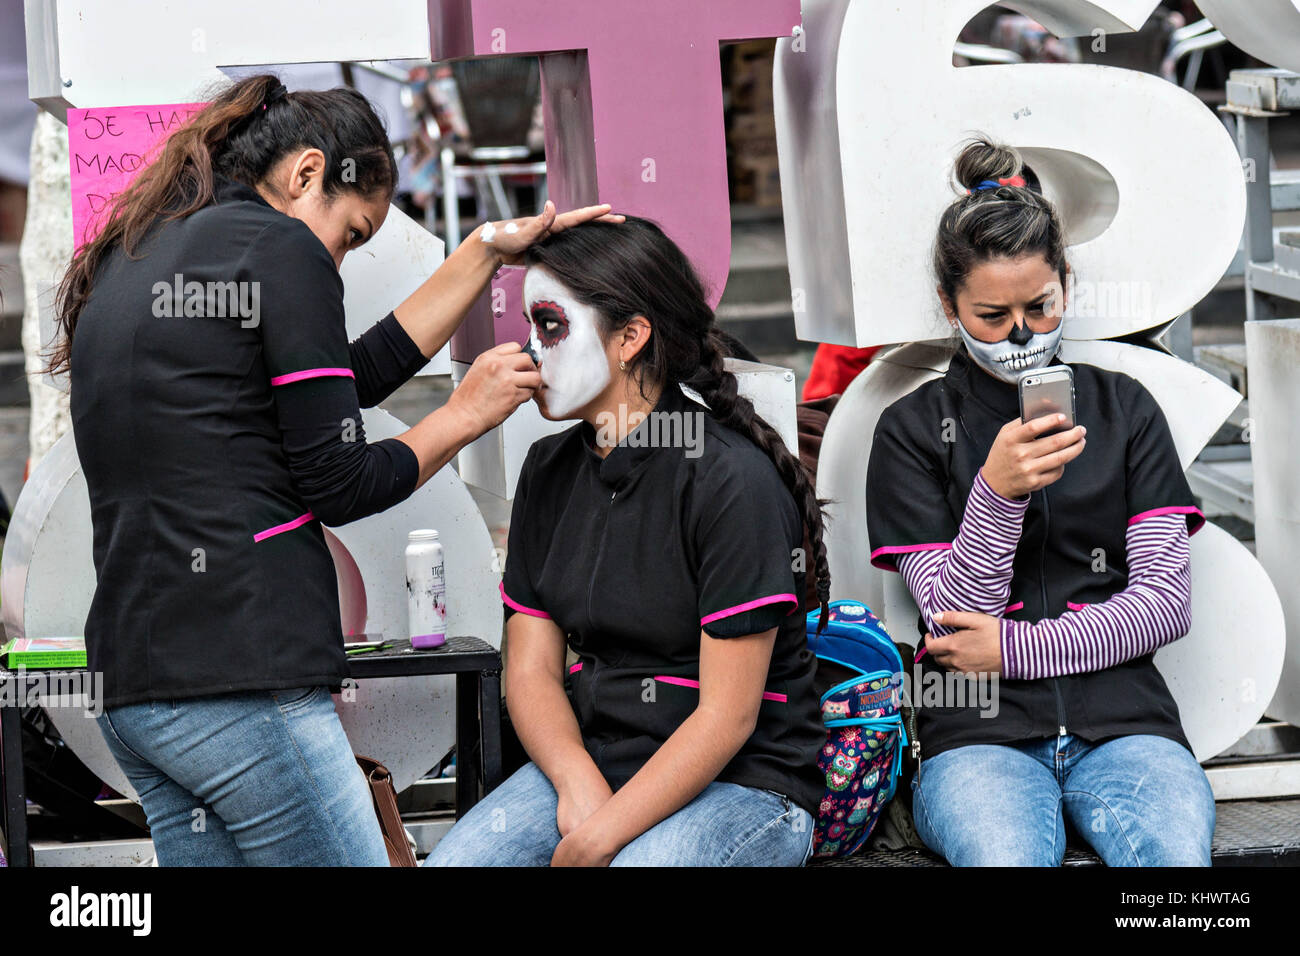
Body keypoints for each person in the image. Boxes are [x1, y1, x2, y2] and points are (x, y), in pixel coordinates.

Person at [53, 73, 616, 866]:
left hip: (138, 691)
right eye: (352, 234)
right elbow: (339, 481)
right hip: (240, 679)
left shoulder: (139, 248)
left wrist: (482, 254)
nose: (341, 261)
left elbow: (337, 388)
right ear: (308, 172)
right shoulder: (280, 250)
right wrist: (465, 414)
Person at [425, 217, 828, 866]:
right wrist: (575, 779)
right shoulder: (549, 468)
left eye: (550, 327)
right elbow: (530, 670)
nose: (529, 351)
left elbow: (727, 718)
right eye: (529, 328)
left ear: (631, 337)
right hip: (599, 757)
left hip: (746, 784)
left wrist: (602, 837)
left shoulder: (730, 480)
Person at [864, 139, 1214, 867]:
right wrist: (996, 493)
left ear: (1066, 285)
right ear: (947, 305)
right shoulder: (911, 429)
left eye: (1040, 306)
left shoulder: (1123, 408)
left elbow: (1164, 605)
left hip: (1126, 723)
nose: (1022, 334)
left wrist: (1018, 648)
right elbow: (954, 624)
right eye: (992, 315)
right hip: (978, 737)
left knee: (1178, 870)